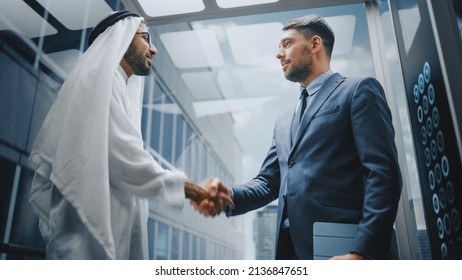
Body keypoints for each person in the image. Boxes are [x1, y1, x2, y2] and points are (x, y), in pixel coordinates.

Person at [195, 14, 402, 260]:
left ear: (315, 45)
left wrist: (363, 252)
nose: (279, 54)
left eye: (287, 44)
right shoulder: (284, 121)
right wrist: (229, 195)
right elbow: (269, 182)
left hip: (346, 249)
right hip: (293, 253)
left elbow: (382, 173)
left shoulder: (358, 90)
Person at [29, 10, 231, 260]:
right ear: (121, 37)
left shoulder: (115, 85)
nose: (153, 49)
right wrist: (192, 190)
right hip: (84, 247)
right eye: (146, 37)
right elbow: (125, 157)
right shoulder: (98, 82)